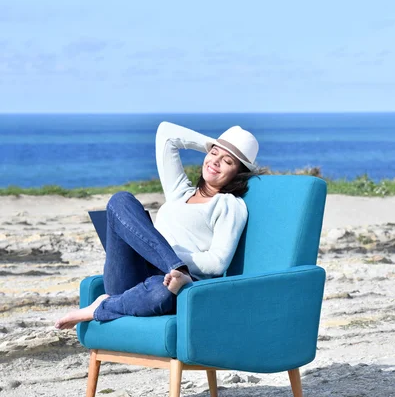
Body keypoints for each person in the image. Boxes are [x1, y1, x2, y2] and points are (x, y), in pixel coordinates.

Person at [55, 121, 259, 329]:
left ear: (239, 173)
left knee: (160, 292)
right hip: (132, 275)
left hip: (170, 284)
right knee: (120, 200)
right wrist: (212, 144)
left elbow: (217, 262)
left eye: (227, 161)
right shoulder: (180, 192)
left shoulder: (230, 205)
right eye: (213, 154)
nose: (215, 162)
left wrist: (173, 266)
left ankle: (102, 306)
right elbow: (166, 134)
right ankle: (167, 268)